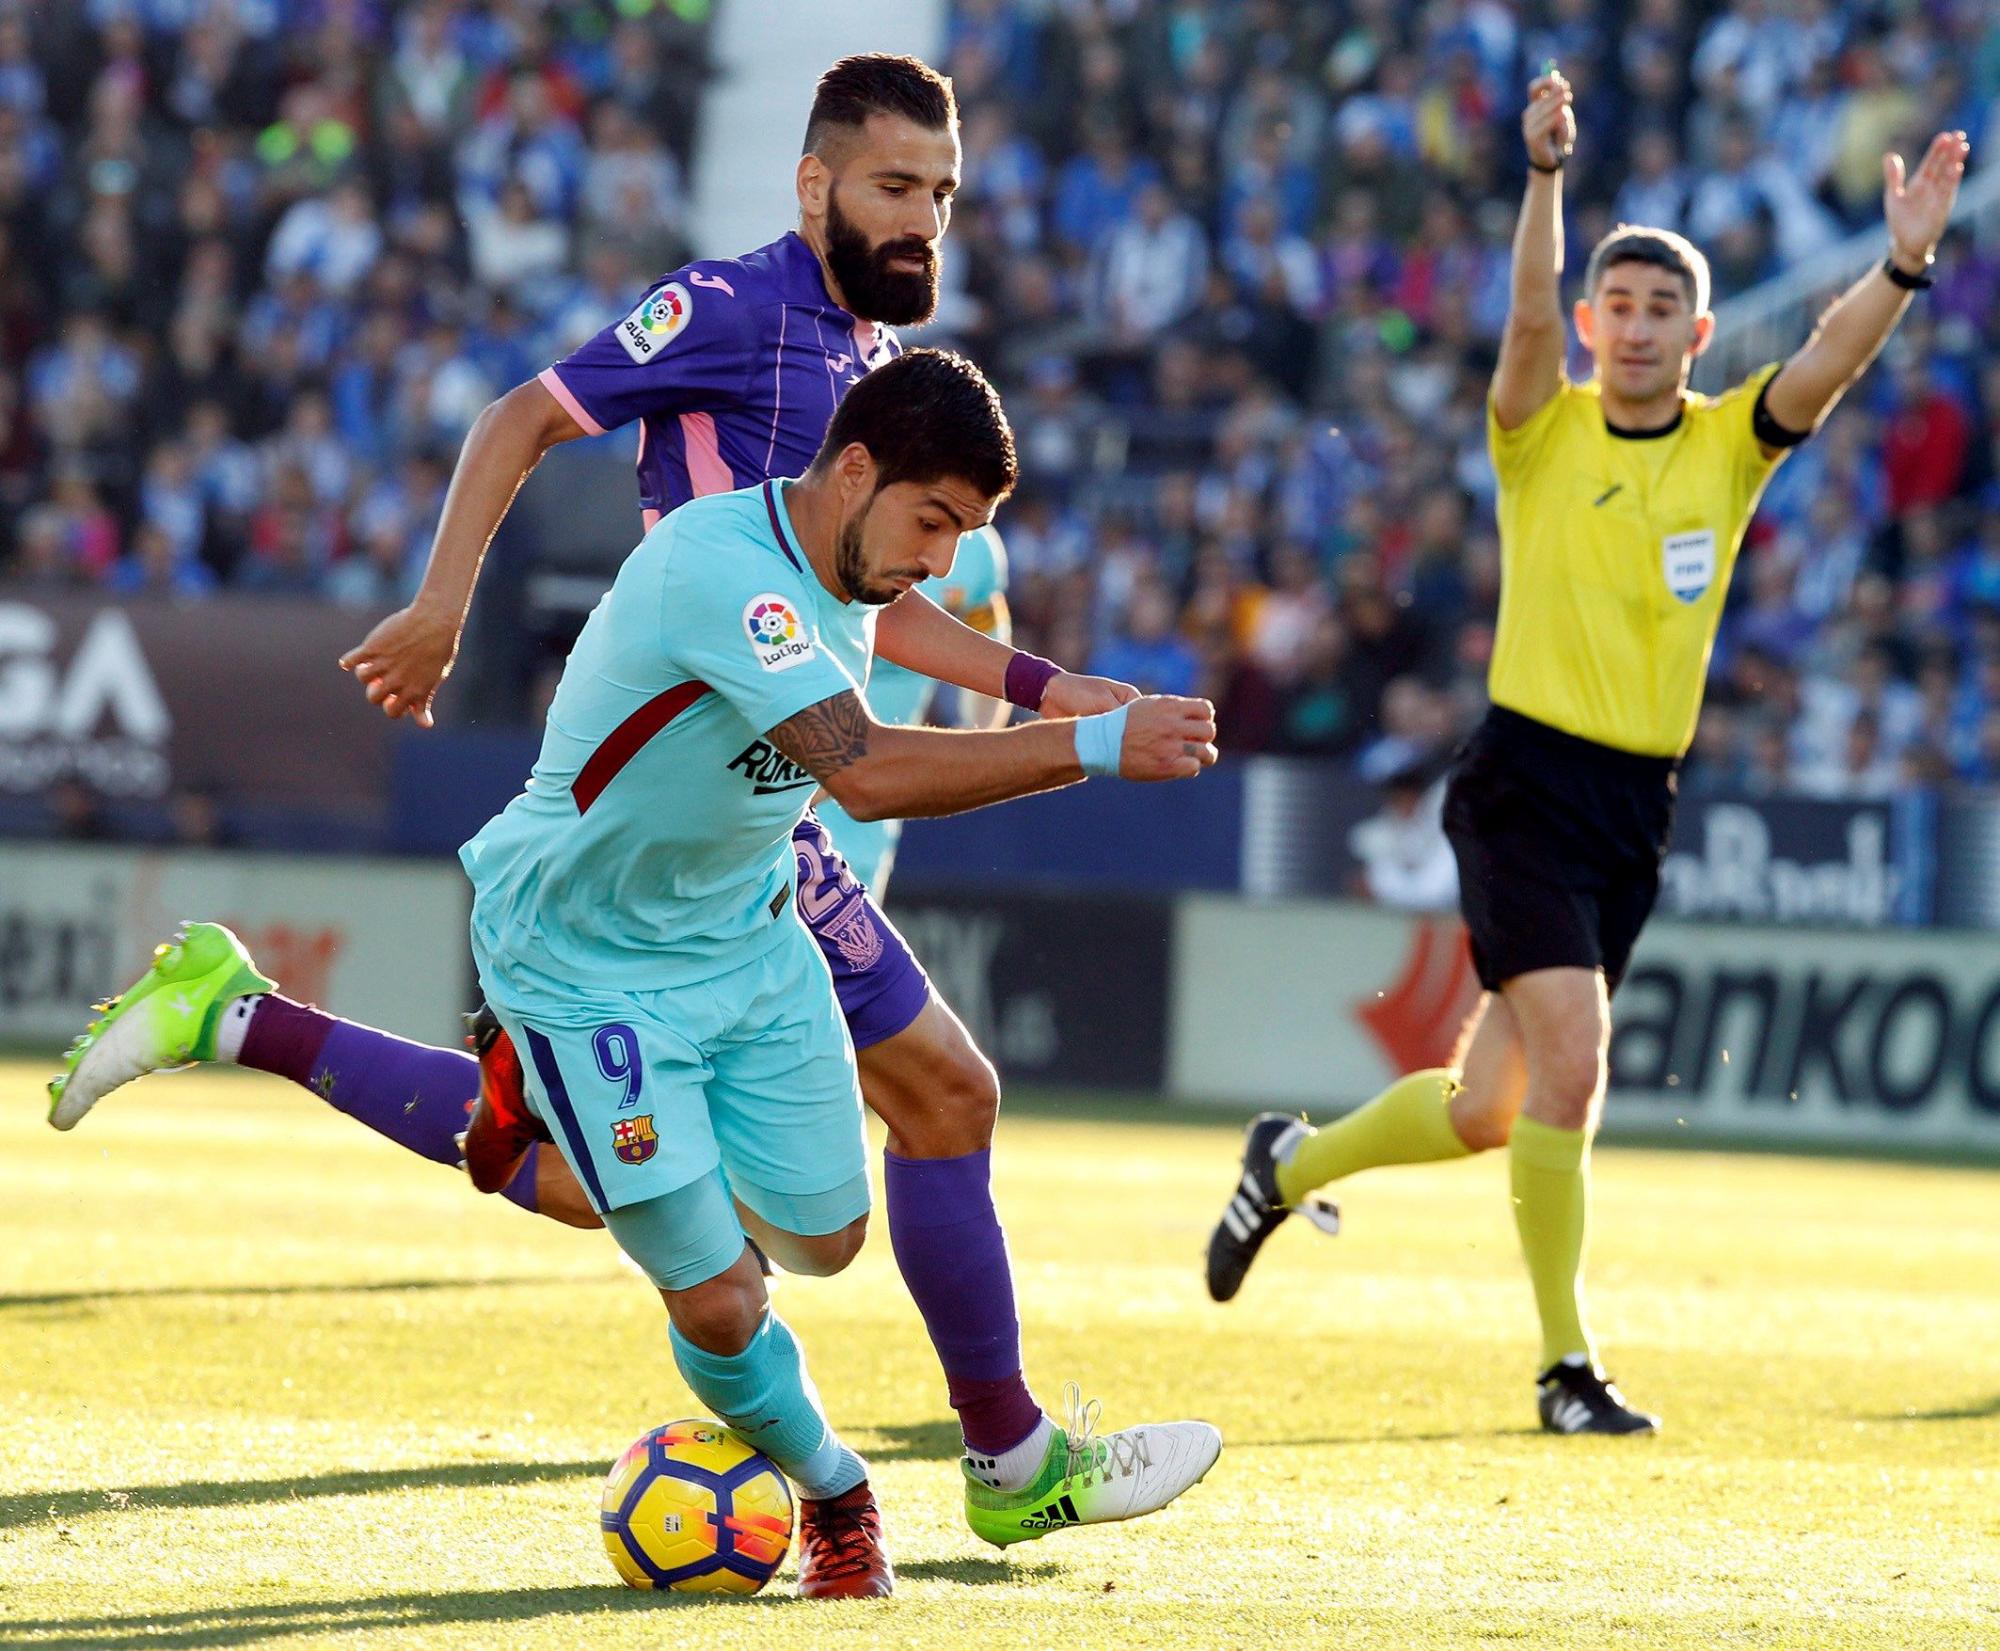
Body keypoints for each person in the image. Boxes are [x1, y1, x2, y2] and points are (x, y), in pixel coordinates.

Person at [50, 56, 1220, 1556]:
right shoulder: (732, 311)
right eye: (894, 187)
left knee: (713, 1184)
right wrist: (440, 607)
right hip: (712, 787)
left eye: (942, 191)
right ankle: (999, 1455)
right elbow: (519, 422)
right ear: (815, 186)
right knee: (914, 1111)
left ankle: (306, 1033)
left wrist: (1063, 693)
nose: (924, 216)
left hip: (761, 792)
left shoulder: (870, 363)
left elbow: (868, 602)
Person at [1205, 67, 1969, 1436]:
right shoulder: (1540, 434)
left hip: (1636, 807)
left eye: (1660, 307)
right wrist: (1547, 179)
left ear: (1699, 332)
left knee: (1493, 1107)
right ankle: (1566, 1370)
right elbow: (1516, 320)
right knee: (1576, 1066)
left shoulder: (1729, 450)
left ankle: (1291, 1158)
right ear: (1591, 323)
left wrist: (1904, 263)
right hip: (1522, 785)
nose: (1632, 326)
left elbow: (1831, 364)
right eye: (1614, 306)